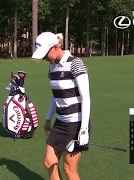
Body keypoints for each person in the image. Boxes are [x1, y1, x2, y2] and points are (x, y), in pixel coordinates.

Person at [32, 32, 91, 180]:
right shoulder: (52, 67)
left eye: (46, 53)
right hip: (60, 122)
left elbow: (86, 97)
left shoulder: (75, 63)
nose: (45, 58)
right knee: (49, 163)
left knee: (69, 169)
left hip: (76, 123)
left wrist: (83, 129)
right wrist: (47, 119)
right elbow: (56, 95)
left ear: (56, 47)